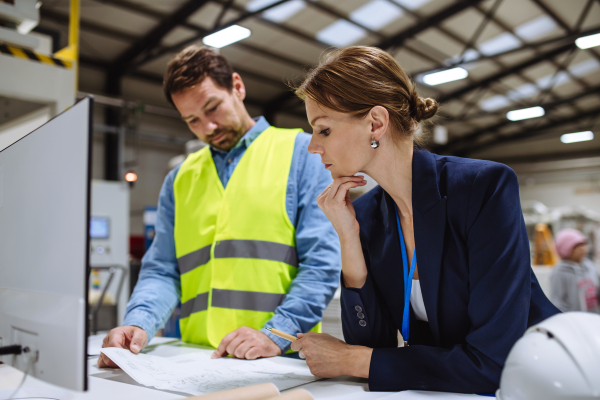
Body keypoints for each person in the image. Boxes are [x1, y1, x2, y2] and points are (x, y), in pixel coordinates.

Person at [289, 46, 560, 394]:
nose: (313, 146)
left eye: (323, 130)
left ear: (376, 123)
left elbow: (494, 363)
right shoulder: (369, 214)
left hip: (542, 382)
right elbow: (374, 343)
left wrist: (351, 360)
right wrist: (348, 236)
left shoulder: (482, 189)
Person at [98, 45, 341, 367]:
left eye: (212, 108)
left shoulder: (301, 154)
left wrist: (277, 332)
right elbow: (162, 269)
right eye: (192, 120)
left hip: (281, 357)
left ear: (237, 87)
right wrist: (138, 323)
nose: (207, 128)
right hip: (199, 359)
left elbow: (321, 262)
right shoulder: (179, 179)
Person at [550, 228, 599, 313]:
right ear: (565, 249)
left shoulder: (590, 266)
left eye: (583, 244)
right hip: (575, 321)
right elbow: (558, 302)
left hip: (594, 318)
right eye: (577, 246)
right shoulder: (559, 273)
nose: (582, 248)